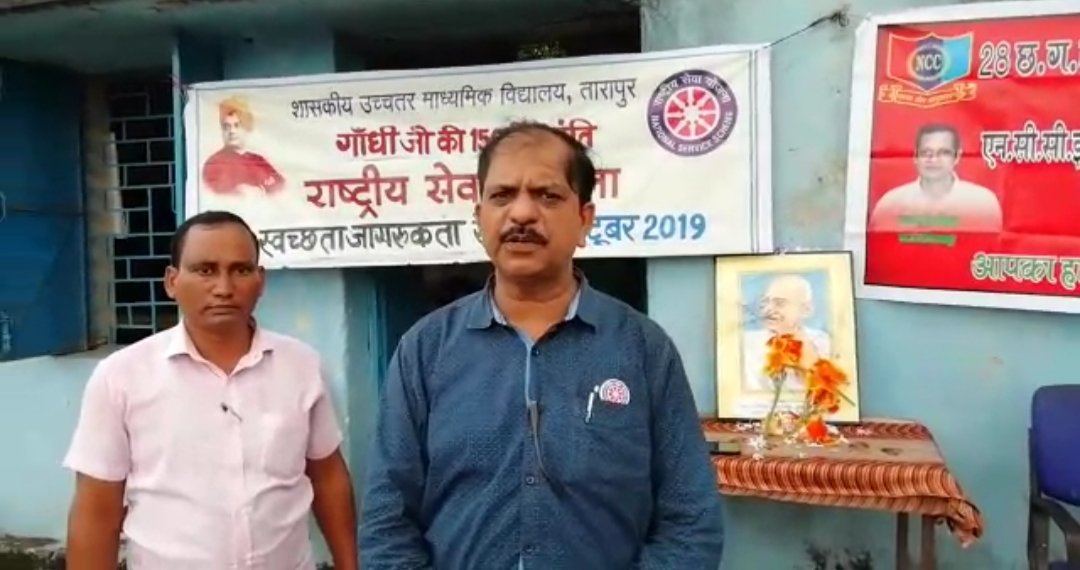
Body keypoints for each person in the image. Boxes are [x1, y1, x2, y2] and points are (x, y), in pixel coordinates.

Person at [360, 121, 724, 569]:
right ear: (479, 216)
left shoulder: (643, 349)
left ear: (584, 219)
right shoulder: (425, 350)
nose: (521, 214)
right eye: (502, 195)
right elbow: (387, 522)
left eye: (547, 195)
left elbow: (690, 520)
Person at [63, 210, 358, 570]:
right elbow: (97, 510)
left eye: (240, 270)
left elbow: (328, 477)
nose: (223, 288)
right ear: (172, 281)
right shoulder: (121, 377)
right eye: (205, 270)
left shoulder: (302, 366)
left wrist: (349, 563)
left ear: (260, 280)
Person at [869, 123, 1002, 233]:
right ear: (915, 157)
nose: (933, 160)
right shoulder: (890, 204)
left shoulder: (982, 203)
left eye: (943, 153)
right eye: (926, 153)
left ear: (957, 157)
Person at [741, 273, 831, 392]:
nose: (768, 309)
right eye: (765, 302)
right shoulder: (746, 342)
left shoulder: (821, 341)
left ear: (806, 310)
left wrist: (796, 335)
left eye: (779, 303)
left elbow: (820, 387)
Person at [202, 97, 286, 195]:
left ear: (247, 127)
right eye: (226, 126)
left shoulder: (257, 159)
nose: (232, 131)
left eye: (237, 125)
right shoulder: (214, 164)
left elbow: (280, 185)